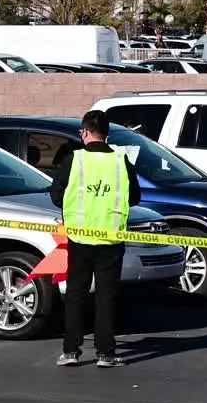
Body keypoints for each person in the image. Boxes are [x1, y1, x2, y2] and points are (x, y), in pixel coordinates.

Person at [49, 110, 142, 368]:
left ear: (85, 131)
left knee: (76, 295)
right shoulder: (121, 161)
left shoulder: (74, 160)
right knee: (106, 296)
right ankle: (105, 353)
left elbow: (56, 194)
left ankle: (70, 351)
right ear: (107, 133)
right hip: (110, 239)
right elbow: (134, 197)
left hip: (80, 237)